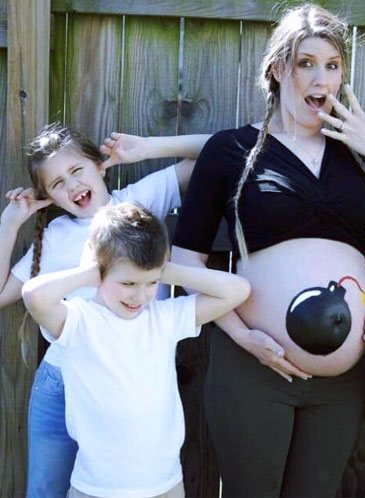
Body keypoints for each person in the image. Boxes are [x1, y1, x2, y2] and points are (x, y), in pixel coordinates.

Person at [171, 4, 365, 496]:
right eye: (306, 63)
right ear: (278, 71)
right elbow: (187, 263)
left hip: (340, 383)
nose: (321, 77)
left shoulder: (357, 156)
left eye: (332, 65)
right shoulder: (230, 151)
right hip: (253, 363)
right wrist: (243, 336)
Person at [0, 123, 210, 497]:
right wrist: (11, 223)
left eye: (77, 170)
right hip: (62, 380)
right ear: (48, 196)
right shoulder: (53, 237)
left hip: (128, 381)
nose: (72, 185)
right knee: (46, 489)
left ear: (100, 166)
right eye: (57, 183)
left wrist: (145, 148)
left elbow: (216, 151)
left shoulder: (137, 203)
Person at [21, 203, 250, 498]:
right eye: (128, 282)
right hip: (96, 488)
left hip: (165, 485)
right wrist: (93, 271)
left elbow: (237, 289)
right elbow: (34, 295)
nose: (139, 295)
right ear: (99, 268)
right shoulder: (79, 321)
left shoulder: (164, 318)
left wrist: (164, 269)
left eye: (151, 283)